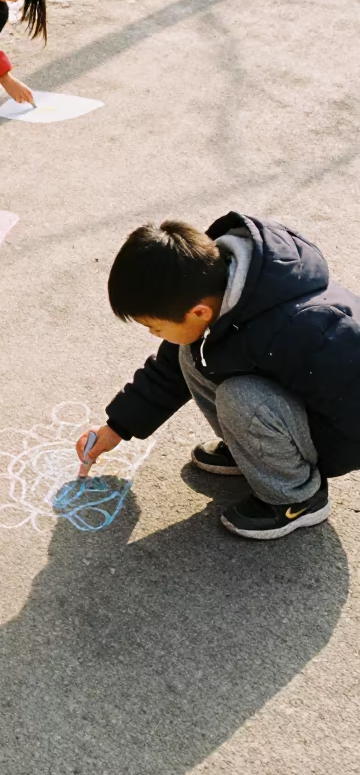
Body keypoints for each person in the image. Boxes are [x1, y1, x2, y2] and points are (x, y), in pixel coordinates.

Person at [77, 214, 360, 540]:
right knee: (189, 355)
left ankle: (297, 496)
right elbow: (168, 370)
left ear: (198, 312)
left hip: (344, 434)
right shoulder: (217, 286)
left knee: (241, 397)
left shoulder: (303, 327)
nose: (155, 334)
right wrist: (117, 427)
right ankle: (257, 456)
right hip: (305, 408)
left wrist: (297, 462)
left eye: (154, 326)